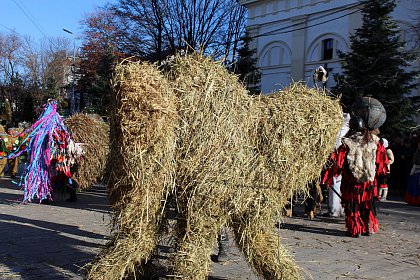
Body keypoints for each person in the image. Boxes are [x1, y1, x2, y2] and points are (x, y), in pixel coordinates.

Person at [322, 97, 388, 237]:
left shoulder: (347, 143)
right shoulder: (376, 142)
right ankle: (366, 229)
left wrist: (328, 174)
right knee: (366, 205)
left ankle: (355, 230)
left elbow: (337, 163)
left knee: (353, 206)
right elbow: (382, 164)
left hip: (351, 182)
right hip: (369, 183)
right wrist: (383, 184)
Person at [404, 138, 420, 206]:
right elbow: (414, 161)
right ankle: (413, 201)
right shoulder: (416, 152)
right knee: (414, 186)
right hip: (415, 170)